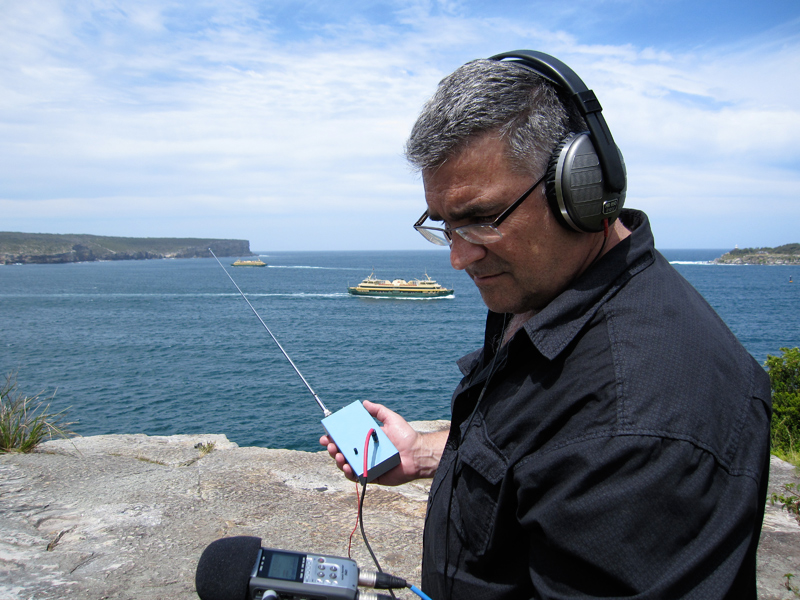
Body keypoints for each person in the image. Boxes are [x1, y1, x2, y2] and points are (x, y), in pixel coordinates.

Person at [321, 51, 772, 599]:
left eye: (482, 220)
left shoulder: (636, 426)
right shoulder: (543, 290)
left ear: (578, 187)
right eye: (445, 226)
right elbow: (544, 454)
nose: (459, 259)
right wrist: (423, 453)